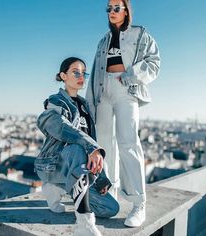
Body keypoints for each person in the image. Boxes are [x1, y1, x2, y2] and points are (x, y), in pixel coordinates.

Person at [86, 0, 160, 228]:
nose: (111, 12)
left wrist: (130, 75)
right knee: (104, 144)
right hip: (103, 92)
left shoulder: (140, 34)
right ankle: (110, 195)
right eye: (108, 8)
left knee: (129, 142)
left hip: (126, 88)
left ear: (126, 10)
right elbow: (95, 74)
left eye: (116, 7)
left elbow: (154, 63)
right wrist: (90, 103)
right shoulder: (103, 41)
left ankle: (139, 203)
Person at [34, 57, 119, 236]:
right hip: (54, 164)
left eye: (83, 73)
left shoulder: (85, 107)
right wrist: (91, 147)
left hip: (77, 169)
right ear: (63, 76)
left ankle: (57, 187)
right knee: (79, 149)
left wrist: (102, 178)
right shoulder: (56, 102)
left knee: (111, 208)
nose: (81, 76)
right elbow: (59, 126)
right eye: (76, 72)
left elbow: (91, 143)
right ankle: (84, 222)